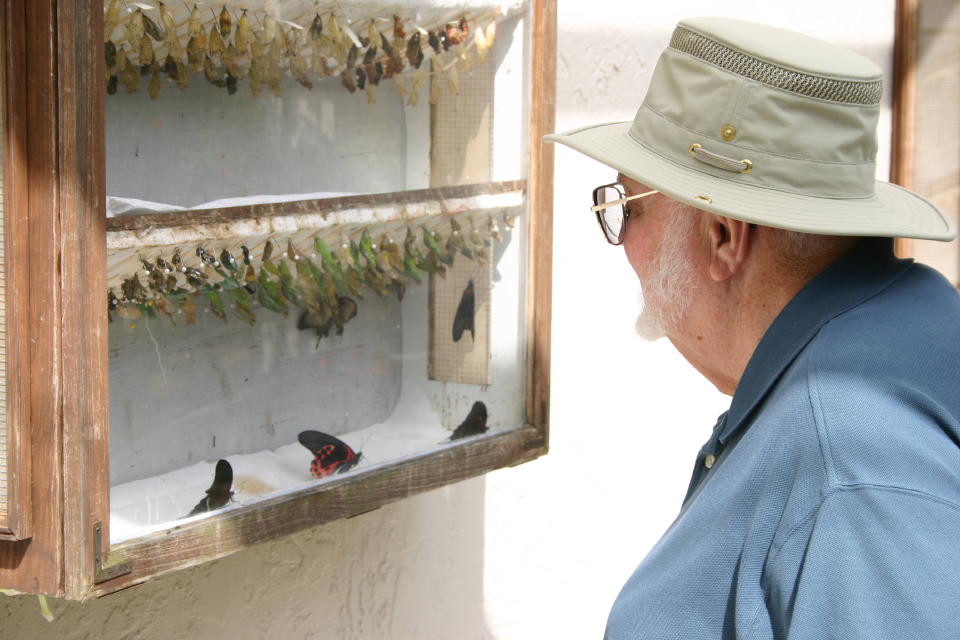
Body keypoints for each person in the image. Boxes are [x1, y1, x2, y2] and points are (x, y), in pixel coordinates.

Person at [546, 16, 960, 639]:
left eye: (626, 207)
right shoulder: (903, 317)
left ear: (721, 236)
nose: (622, 240)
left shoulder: (848, 463)